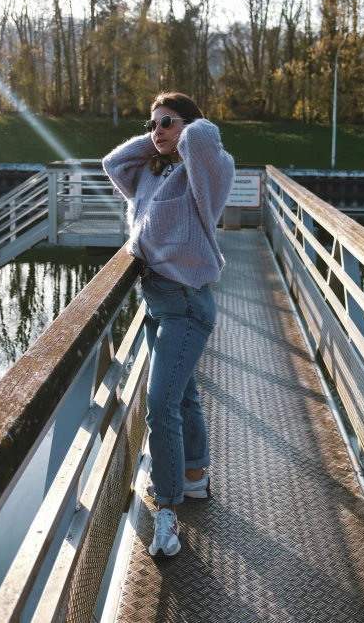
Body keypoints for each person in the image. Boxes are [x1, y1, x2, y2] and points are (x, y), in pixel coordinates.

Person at [102, 91, 235, 558]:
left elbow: (201, 140)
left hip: (187, 303)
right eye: (151, 122)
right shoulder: (150, 174)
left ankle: (167, 509)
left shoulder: (206, 175)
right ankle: (195, 477)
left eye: (166, 122)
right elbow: (113, 163)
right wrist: (159, 134)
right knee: (183, 394)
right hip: (156, 299)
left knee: (160, 404)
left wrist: (185, 127)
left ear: (191, 127)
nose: (156, 130)